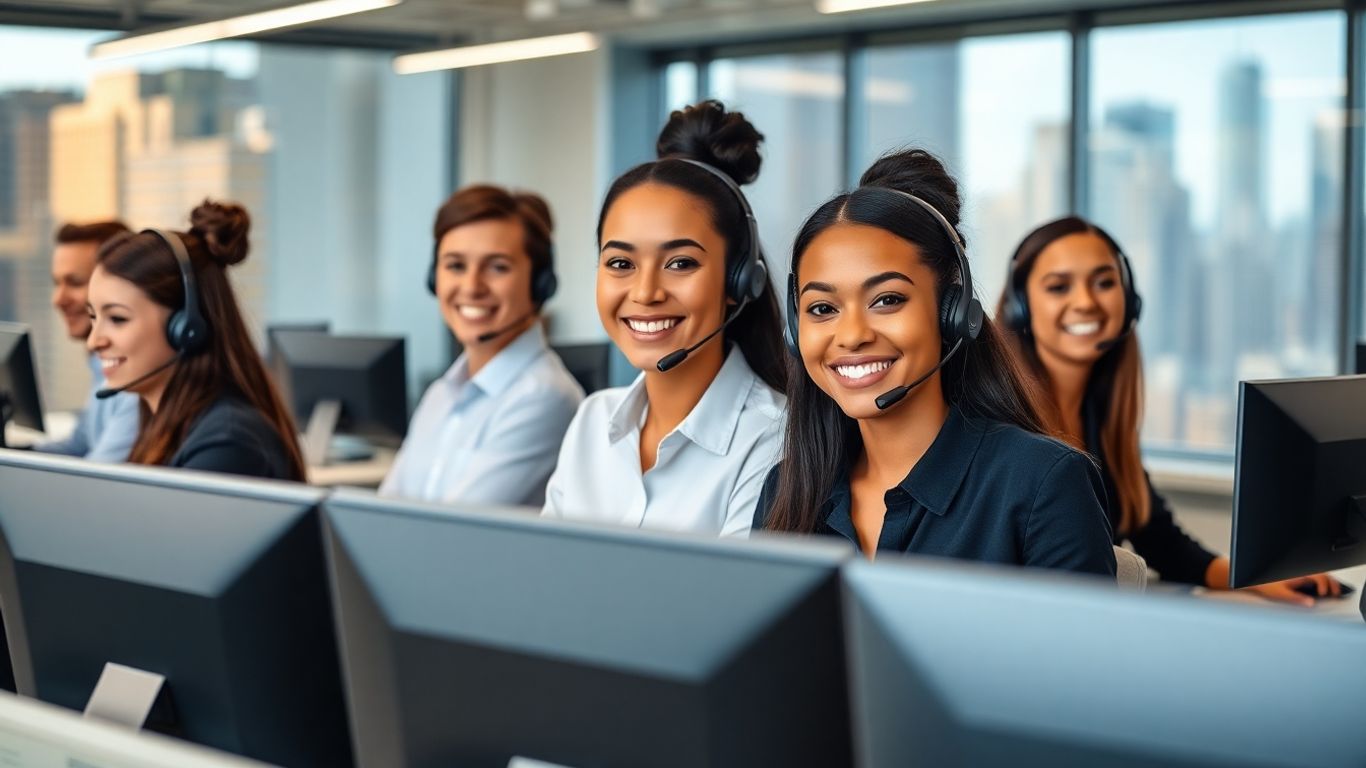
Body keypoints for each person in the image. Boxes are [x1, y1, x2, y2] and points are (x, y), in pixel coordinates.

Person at [756, 149, 1115, 577]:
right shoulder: (787, 491)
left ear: (952, 312)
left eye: (887, 300)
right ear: (796, 333)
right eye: (822, 309)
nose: (851, 335)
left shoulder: (1042, 484)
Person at [997, 215, 1343, 603]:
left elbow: (1158, 536)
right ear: (1020, 307)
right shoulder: (1001, 423)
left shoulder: (1101, 417)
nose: (1086, 302)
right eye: (1059, 287)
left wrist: (1252, 576)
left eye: (1105, 283)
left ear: (1129, 302)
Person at [542, 100, 787, 536]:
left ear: (738, 282)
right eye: (620, 264)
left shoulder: (774, 438)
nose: (645, 293)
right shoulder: (593, 421)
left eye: (680, 264)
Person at [380, 185, 583, 506]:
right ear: (435, 277)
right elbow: (385, 510)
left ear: (540, 283)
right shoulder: (441, 394)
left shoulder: (543, 397)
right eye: (455, 266)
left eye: (497, 267)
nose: (472, 287)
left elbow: (456, 536)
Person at [85, 200, 305, 481]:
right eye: (93, 317)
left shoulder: (227, 442)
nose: (94, 342)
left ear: (187, 327)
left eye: (117, 319)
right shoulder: (163, 425)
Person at [33, 221, 139, 461]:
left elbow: (97, 482)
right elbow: (81, 443)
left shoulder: (136, 382)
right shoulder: (101, 366)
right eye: (57, 283)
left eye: (75, 282)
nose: (58, 299)